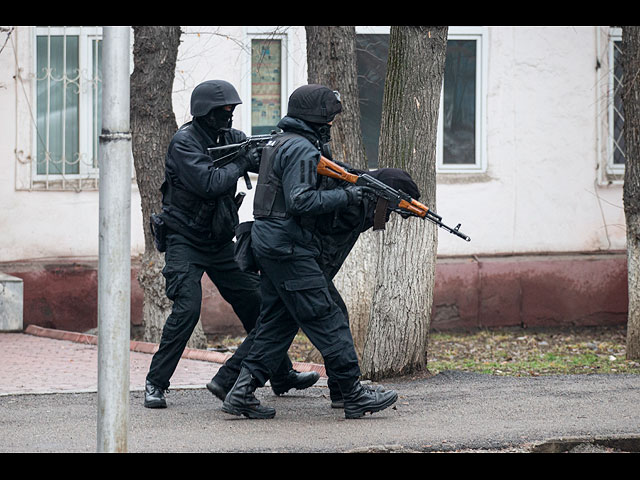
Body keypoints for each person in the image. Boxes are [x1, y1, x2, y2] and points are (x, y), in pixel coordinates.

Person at [220, 84, 400, 419]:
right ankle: (353, 394)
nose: (331, 123)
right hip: (287, 246)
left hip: (271, 242)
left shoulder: (281, 140)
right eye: (329, 117)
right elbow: (301, 201)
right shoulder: (301, 149)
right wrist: (350, 197)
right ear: (316, 116)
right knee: (328, 317)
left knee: (276, 323)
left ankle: (240, 393)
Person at [144, 80, 318, 409]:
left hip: (220, 239)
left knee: (256, 303)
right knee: (187, 309)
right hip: (185, 239)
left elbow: (262, 159)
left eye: (232, 111)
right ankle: (156, 382)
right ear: (204, 113)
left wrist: (287, 150)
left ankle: (280, 374)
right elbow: (210, 183)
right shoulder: (185, 143)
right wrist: (241, 162)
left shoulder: (230, 138)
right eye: (223, 111)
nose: (229, 117)